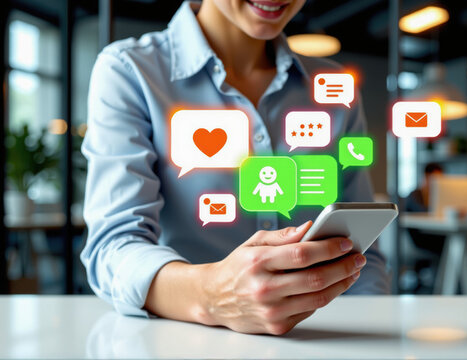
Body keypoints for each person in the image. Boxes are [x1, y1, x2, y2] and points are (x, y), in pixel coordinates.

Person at [81, 0, 388, 336]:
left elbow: (364, 253)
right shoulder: (130, 70)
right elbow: (113, 248)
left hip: (318, 340)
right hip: (183, 342)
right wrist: (212, 294)